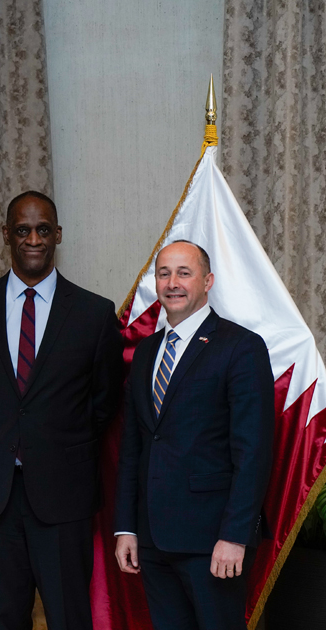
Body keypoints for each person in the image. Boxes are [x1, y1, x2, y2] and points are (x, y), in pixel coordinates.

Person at [0, 191, 123, 630]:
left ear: (58, 235)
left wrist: (53, 440)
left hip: (64, 493)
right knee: (3, 618)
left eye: (43, 229)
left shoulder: (95, 314)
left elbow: (103, 402)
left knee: (69, 617)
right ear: (5, 235)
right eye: (23, 230)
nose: (33, 239)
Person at [114, 240, 274, 630]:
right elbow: (134, 446)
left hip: (213, 541)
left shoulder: (241, 347)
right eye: (164, 273)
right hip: (153, 540)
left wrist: (235, 536)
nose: (172, 283)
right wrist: (127, 527)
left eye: (184, 273)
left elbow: (253, 451)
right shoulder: (147, 352)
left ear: (208, 281)